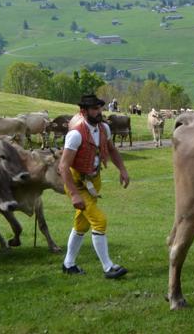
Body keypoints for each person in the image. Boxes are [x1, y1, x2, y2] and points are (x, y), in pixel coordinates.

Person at [59, 93, 130, 278]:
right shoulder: (75, 134)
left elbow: (112, 150)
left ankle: (68, 264)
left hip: (94, 181)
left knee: (81, 225)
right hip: (77, 183)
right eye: (94, 109)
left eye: (100, 108)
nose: (99, 112)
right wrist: (74, 194)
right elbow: (63, 166)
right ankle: (108, 267)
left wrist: (122, 169)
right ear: (84, 111)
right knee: (99, 220)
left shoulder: (104, 128)